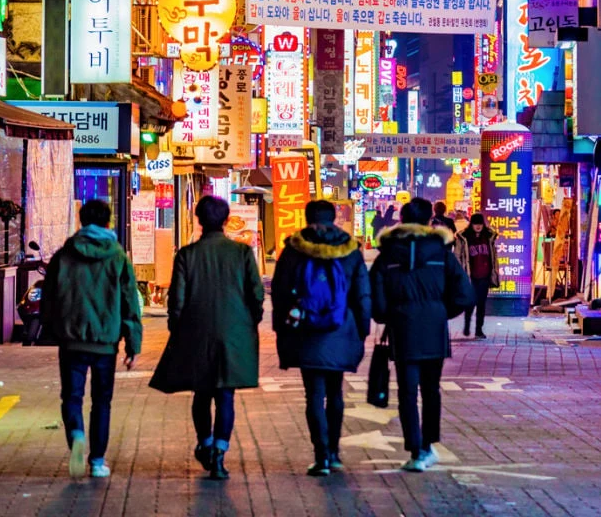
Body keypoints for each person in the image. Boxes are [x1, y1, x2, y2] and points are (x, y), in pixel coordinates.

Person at [150, 196, 264, 481]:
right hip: (233, 333)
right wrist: (249, 323)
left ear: (199, 220)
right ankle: (220, 454)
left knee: (202, 393)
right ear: (226, 220)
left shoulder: (187, 255)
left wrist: (178, 329)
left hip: (195, 332)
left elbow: (176, 300)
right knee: (226, 394)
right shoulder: (241, 253)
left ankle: (205, 442)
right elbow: (257, 295)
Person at [40, 199, 142, 479]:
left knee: (72, 397)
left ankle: (76, 436)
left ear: (82, 222)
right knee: (101, 401)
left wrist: (53, 330)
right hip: (106, 342)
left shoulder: (65, 254)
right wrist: (133, 344)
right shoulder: (118, 256)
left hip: (72, 340)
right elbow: (130, 302)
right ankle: (97, 461)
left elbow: (49, 298)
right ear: (108, 223)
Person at [371, 197, 473, 472]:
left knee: (406, 391)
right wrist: (441, 312)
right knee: (431, 390)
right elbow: (464, 293)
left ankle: (416, 450)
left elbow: (376, 299)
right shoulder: (442, 252)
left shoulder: (388, 253)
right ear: (430, 220)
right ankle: (428, 446)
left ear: (401, 219)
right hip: (434, 328)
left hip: (402, 328)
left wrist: (388, 316)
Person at [271, 200, 370, 476]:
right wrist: (362, 330)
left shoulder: (293, 249)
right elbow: (362, 294)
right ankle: (335, 453)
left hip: (305, 330)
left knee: (313, 394)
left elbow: (279, 292)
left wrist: (283, 329)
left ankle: (321, 456)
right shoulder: (350, 250)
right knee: (335, 391)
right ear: (334, 217)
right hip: (341, 329)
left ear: (306, 217)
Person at [454, 214, 500, 339]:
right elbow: (457, 256)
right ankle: (467, 325)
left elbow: (494, 256)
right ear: (471, 224)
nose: (478, 226)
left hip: (485, 275)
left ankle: (479, 329)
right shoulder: (464, 237)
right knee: (470, 302)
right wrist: (459, 274)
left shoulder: (489, 236)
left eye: (480, 223)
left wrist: (494, 272)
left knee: (481, 303)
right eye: (475, 223)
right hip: (470, 275)